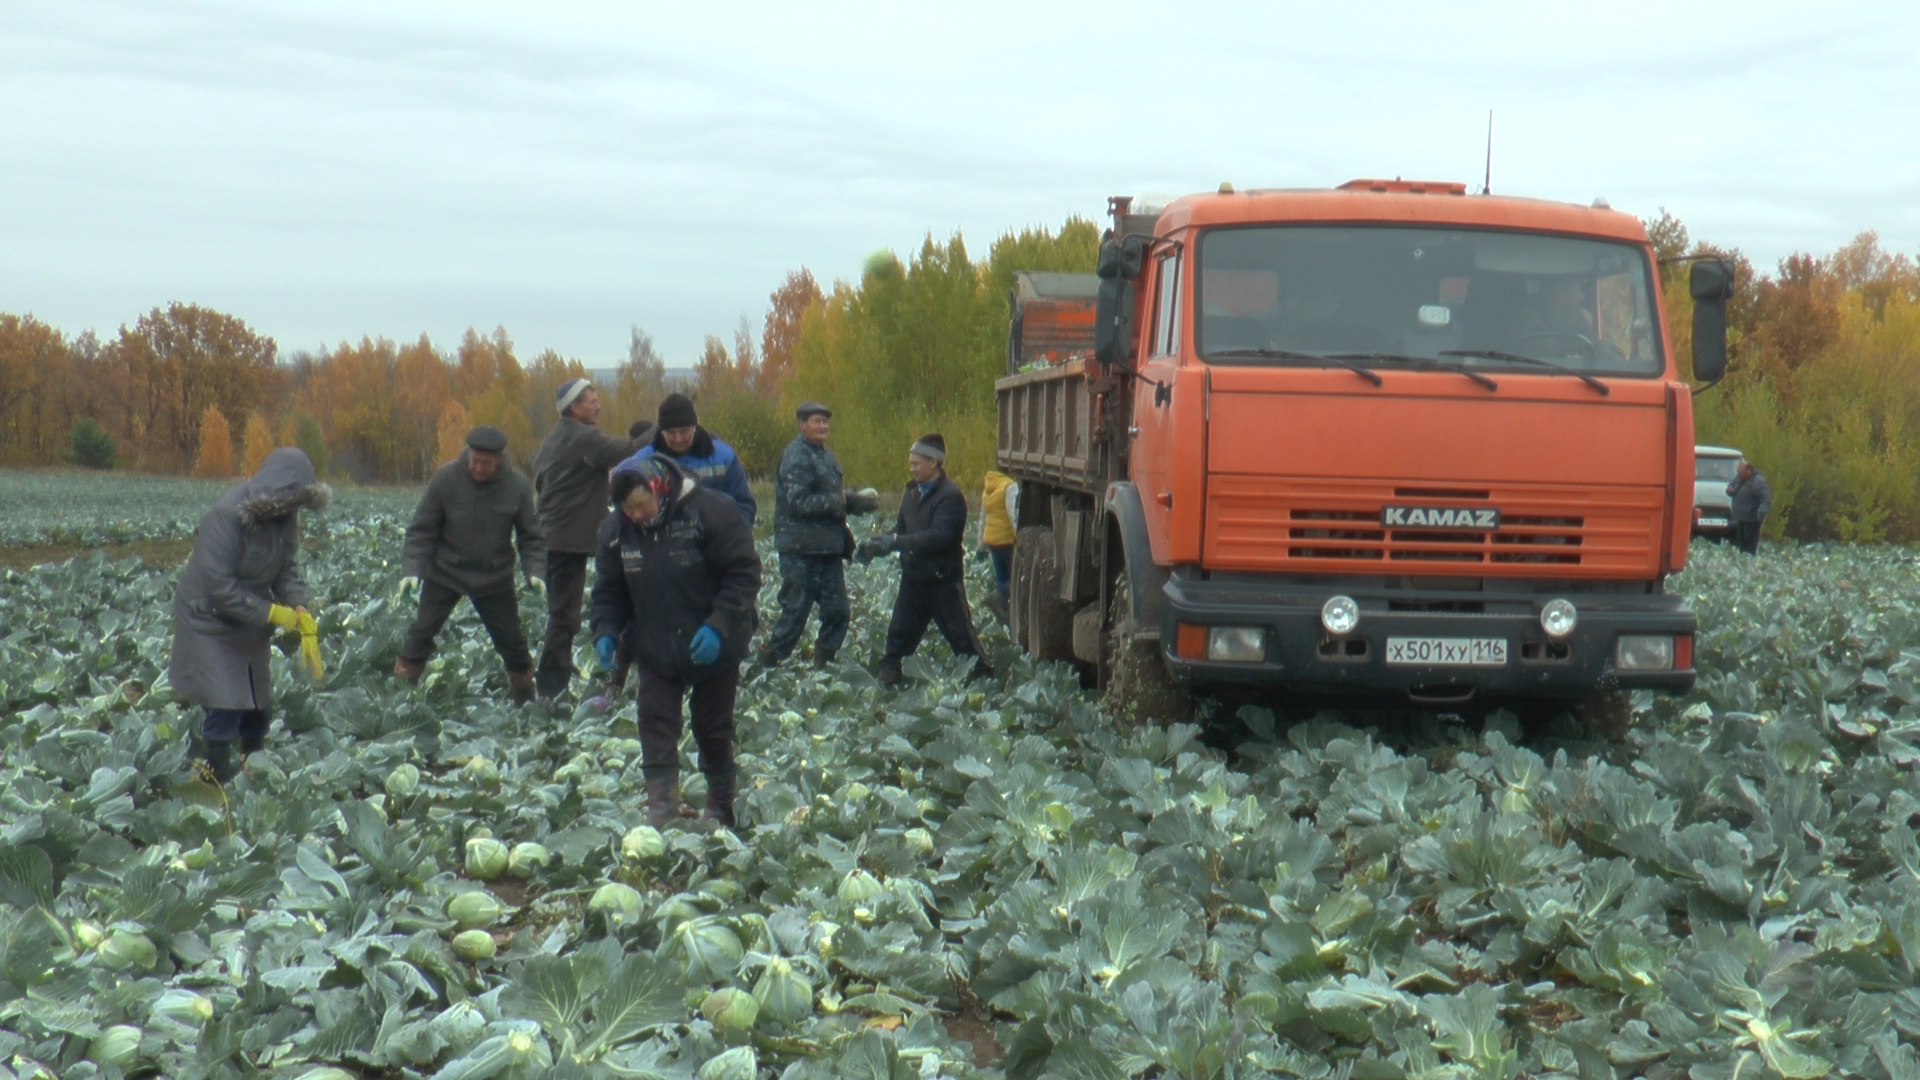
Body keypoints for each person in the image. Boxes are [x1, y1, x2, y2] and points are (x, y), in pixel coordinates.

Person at [590, 457, 761, 827]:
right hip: (653, 643)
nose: (635, 514)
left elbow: (743, 573)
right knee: (654, 721)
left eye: (640, 504)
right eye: (627, 508)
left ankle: (719, 806)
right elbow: (609, 589)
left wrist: (718, 626)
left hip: (713, 640)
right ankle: (662, 806)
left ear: (659, 488)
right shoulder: (616, 530)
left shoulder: (710, 512)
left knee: (712, 726)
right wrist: (605, 629)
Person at [169, 447, 331, 782]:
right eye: (294, 501)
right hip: (207, 617)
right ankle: (215, 772)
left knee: (259, 702)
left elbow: (286, 570)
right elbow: (219, 586)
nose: (295, 511)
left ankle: (253, 764)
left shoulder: (284, 518)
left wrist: (298, 606)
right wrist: (272, 612)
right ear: (279, 492)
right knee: (225, 700)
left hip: (250, 617)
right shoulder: (225, 516)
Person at [395, 425, 547, 702]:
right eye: (474, 461)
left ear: (499, 459)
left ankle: (525, 698)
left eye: (486, 464)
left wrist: (535, 573)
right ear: (468, 455)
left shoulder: (518, 486)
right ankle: (400, 695)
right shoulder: (446, 478)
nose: (478, 468)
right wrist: (412, 571)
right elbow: (421, 530)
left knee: (513, 643)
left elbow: (531, 538)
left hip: (494, 577)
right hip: (445, 572)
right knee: (421, 635)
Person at [531, 377, 653, 700]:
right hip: (565, 540)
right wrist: (661, 428)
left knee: (564, 614)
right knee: (564, 617)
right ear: (575, 407)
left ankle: (556, 677)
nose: (598, 405)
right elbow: (626, 449)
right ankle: (550, 689)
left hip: (555, 537)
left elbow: (539, 478)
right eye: (592, 400)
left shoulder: (554, 438)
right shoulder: (582, 437)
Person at [858, 433, 993, 687]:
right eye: (911, 463)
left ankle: (985, 681)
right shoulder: (911, 493)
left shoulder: (951, 496)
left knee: (962, 638)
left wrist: (896, 542)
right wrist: (877, 544)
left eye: (916, 463)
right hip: (914, 580)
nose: (911, 468)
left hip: (943, 582)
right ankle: (888, 681)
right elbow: (901, 529)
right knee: (898, 636)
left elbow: (938, 538)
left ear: (933, 462)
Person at [762, 401, 879, 666]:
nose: (823, 426)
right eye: (816, 421)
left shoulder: (826, 456)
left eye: (825, 421)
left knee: (838, 612)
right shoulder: (796, 456)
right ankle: (767, 663)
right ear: (802, 425)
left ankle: (824, 664)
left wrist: (853, 501)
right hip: (799, 549)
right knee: (794, 613)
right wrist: (844, 501)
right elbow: (799, 502)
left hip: (828, 548)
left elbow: (831, 498)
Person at [621, 392, 756, 524]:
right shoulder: (643, 461)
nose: (678, 439)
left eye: (684, 431)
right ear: (661, 432)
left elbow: (744, 505)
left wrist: (733, 539)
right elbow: (626, 507)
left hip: (715, 541)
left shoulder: (724, 457)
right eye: (671, 433)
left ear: (694, 428)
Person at [979, 469, 1015, 624]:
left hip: (993, 541)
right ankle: (1008, 610)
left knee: (1001, 576)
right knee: (1013, 577)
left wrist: (980, 545)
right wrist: (1018, 537)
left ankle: (1002, 607)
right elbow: (1013, 514)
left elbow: (983, 518)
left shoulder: (988, 489)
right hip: (1007, 540)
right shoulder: (1009, 487)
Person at [1727, 459, 1773, 556]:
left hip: (1752, 520)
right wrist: (1730, 491)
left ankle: (1749, 564)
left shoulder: (1758, 482)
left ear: (1749, 471)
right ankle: (1742, 564)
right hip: (1740, 518)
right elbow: (1730, 487)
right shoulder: (1739, 478)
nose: (1739, 475)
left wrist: (1760, 513)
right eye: (1739, 473)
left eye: (1742, 473)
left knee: (1749, 548)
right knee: (1740, 547)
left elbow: (1766, 500)